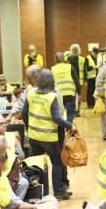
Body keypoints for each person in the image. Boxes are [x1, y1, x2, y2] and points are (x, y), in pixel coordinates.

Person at [22, 70, 74, 201]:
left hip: (34, 136)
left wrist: (29, 128)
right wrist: (70, 125)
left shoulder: (31, 93)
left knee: (37, 164)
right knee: (57, 163)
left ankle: (40, 192)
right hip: (49, 137)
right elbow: (56, 118)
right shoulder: (51, 97)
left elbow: (24, 113)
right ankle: (58, 192)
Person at [51, 52, 78, 125]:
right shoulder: (69, 66)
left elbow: (50, 82)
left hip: (58, 95)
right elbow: (76, 80)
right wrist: (79, 92)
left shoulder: (53, 69)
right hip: (69, 93)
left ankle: (62, 129)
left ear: (55, 59)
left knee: (59, 113)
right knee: (70, 113)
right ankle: (68, 129)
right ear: (63, 58)